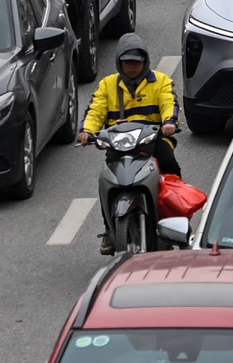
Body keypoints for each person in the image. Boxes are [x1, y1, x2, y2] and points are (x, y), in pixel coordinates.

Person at [77, 34, 180, 252]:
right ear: (119, 63)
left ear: (145, 63)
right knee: (107, 181)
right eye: (127, 62)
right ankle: (109, 230)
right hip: (119, 145)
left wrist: (169, 123)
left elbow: (169, 103)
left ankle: (175, 218)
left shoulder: (161, 81)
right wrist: (88, 131)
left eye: (136, 62)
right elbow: (95, 111)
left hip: (153, 142)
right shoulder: (107, 85)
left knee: (170, 164)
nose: (132, 67)